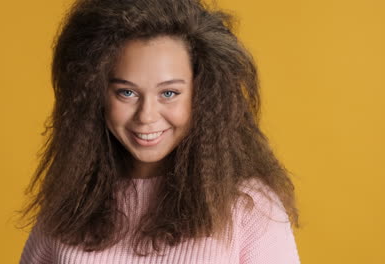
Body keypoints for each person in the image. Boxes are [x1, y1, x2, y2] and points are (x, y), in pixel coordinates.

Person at [16, 0, 301, 263]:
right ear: (96, 93)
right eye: (126, 92)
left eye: (169, 93)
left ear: (203, 94)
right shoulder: (72, 201)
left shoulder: (248, 208)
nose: (147, 116)